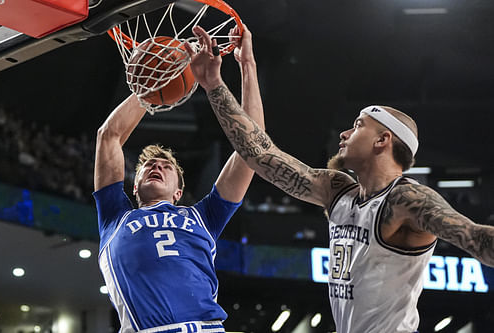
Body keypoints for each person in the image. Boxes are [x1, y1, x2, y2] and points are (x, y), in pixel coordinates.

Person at [186, 27, 494, 333]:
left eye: (358, 125)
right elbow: (261, 155)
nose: (345, 134)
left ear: (382, 140)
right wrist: (224, 78)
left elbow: (474, 236)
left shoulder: (407, 200)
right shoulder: (337, 190)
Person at [93, 25, 264, 333]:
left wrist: (247, 65)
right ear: (134, 186)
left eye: (166, 166)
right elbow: (109, 136)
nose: (156, 166)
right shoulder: (114, 216)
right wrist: (153, 81)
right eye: (147, 166)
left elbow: (253, 148)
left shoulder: (203, 216)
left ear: (178, 192)